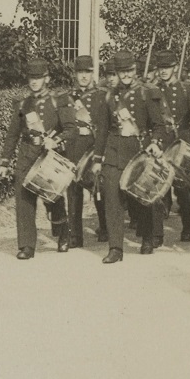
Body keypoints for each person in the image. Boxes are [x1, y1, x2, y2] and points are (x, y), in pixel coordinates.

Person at [93, 53, 168, 263]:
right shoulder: (108, 97)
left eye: (129, 71)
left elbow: (159, 125)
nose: (126, 75)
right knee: (112, 199)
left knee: (141, 198)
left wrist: (155, 142)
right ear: (116, 73)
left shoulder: (146, 94)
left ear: (135, 70)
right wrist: (98, 159)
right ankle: (116, 248)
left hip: (139, 152)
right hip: (114, 152)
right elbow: (102, 131)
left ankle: (146, 237)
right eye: (121, 72)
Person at [0, 59, 69, 259]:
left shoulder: (58, 101)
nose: (34, 82)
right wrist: (5, 161)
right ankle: (27, 246)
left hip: (50, 155)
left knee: (52, 197)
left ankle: (63, 233)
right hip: (27, 153)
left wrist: (56, 142)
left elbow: (70, 130)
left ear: (47, 78)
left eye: (38, 78)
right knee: (23, 199)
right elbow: (13, 135)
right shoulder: (23, 104)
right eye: (31, 78)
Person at [153, 51, 190, 244]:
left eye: (167, 67)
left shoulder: (185, 90)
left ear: (175, 67)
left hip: (182, 141)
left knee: (182, 189)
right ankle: (157, 233)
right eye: (160, 68)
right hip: (161, 142)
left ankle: (189, 225)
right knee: (158, 187)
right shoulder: (154, 90)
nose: (163, 72)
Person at [61, 55, 108, 249]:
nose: (84, 76)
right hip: (73, 146)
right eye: (80, 72)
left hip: (92, 145)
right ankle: (75, 236)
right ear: (75, 74)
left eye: (87, 72)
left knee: (99, 188)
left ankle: (105, 227)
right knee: (73, 191)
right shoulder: (67, 97)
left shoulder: (101, 95)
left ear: (92, 74)